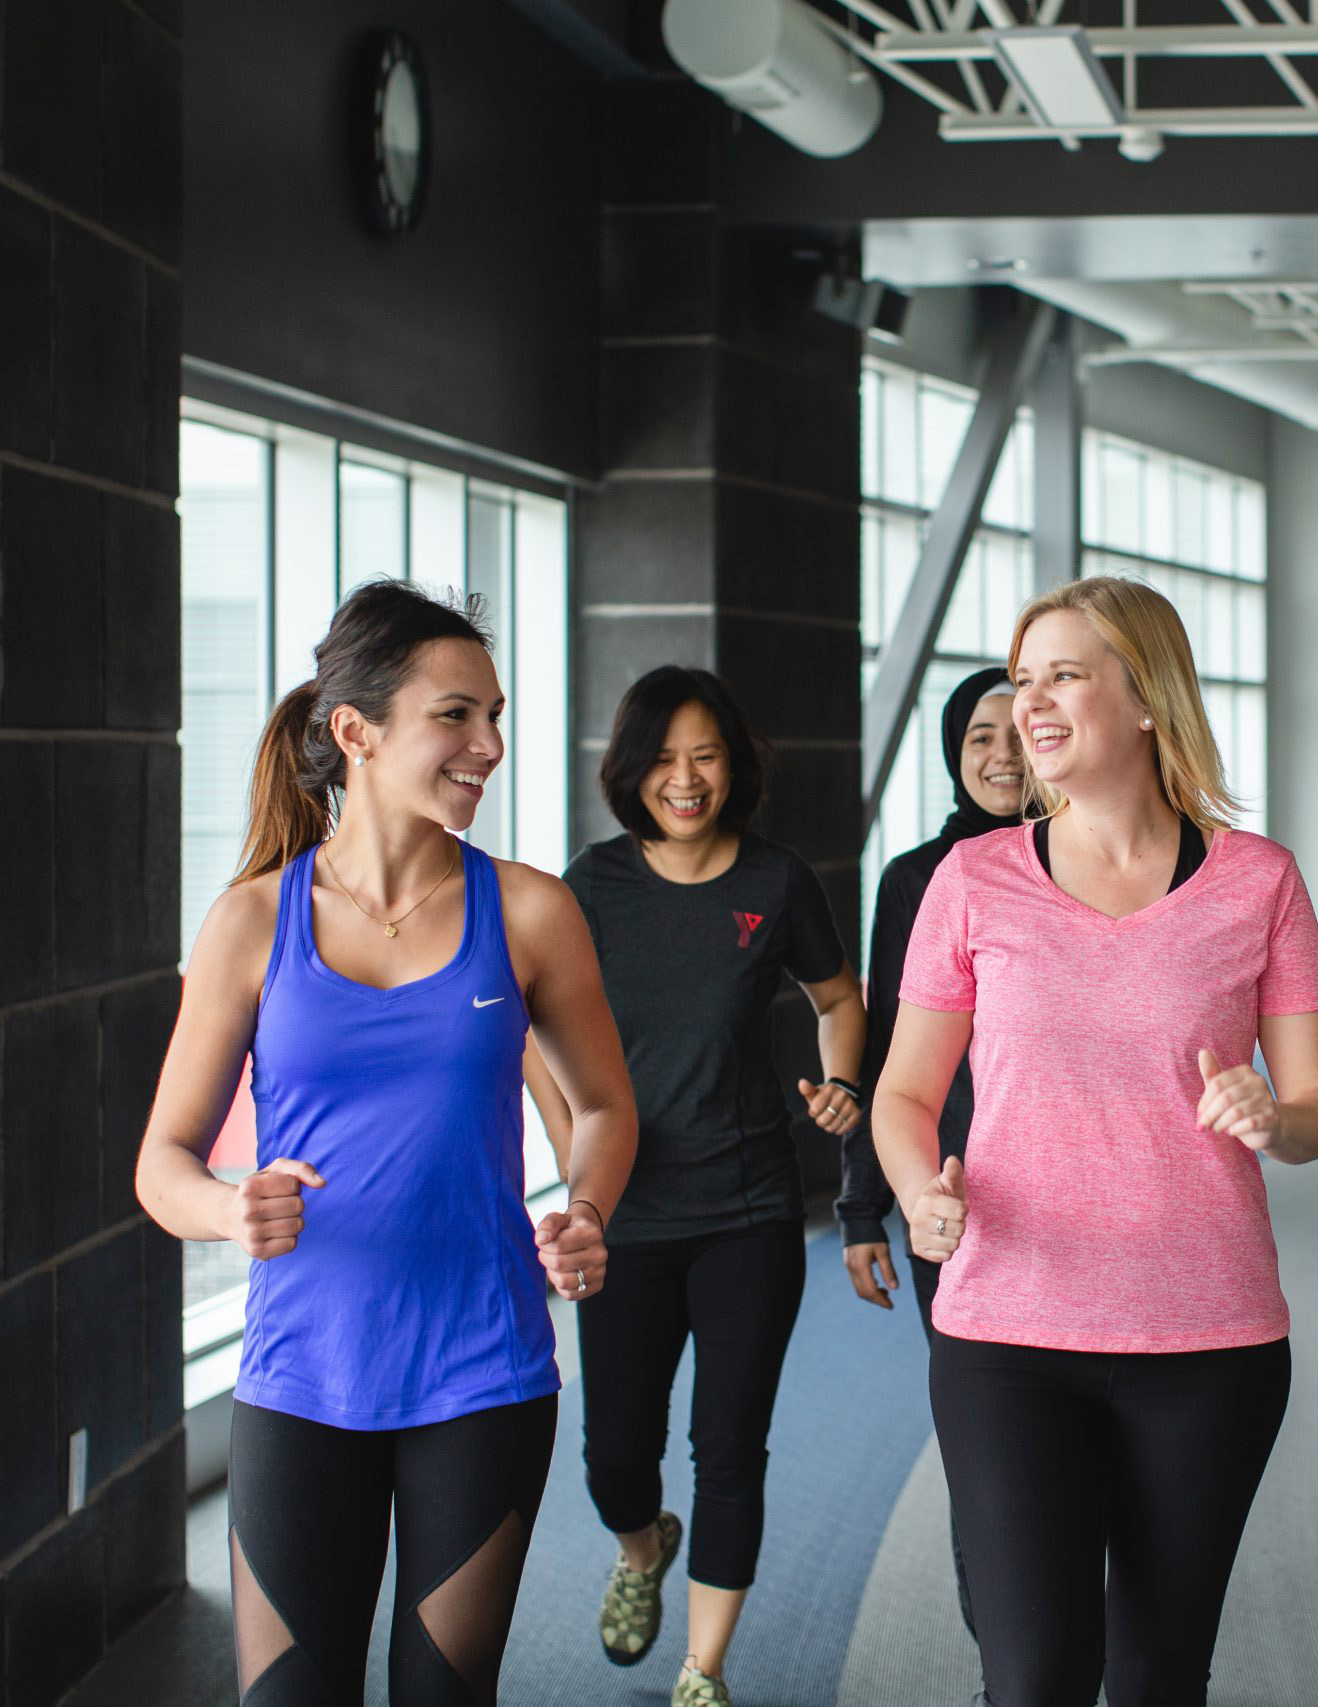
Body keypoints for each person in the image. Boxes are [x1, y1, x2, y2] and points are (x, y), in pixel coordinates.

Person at [135, 580, 637, 1705]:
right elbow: (161, 1159)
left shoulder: (529, 912)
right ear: (356, 733)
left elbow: (603, 1106)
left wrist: (589, 1210)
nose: (490, 745)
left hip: (484, 1375)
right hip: (300, 1379)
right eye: (455, 716)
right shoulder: (254, 922)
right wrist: (229, 1207)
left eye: (494, 714)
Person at [874, 576, 1318, 1707]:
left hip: (1209, 1342)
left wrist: (1273, 1116)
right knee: (1035, 1674)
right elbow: (903, 1093)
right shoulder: (971, 881)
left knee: (1157, 1676)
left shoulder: (1259, 883)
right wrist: (916, 1193)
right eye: (1022, 678)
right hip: (1007, 1333)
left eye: (1065, 676)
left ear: (1145, 698)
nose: (1031, 704)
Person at [525, 664, 866, 1707]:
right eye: (664, 759)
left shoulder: (773, 882)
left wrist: (843, 1078)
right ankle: (641, 1549)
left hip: (750, 1207)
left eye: (706, 756)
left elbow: (837, 996)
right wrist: (577, 1163)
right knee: (614, 1452)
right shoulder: (588, 885)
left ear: (736, 765)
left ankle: (701, 1672)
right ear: (632, 771)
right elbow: (531, 1033)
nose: (686, 778)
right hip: (624, 1215)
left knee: (729, 1443)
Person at [838, 664, 1024, 1325]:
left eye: (1020, 732)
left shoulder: (1085, 867)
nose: (1003, 755)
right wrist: (862, 1208)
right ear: (954, 749)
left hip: (1064, 1179)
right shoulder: (916, 879)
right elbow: (886, 1043)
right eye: (980, 737)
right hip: (945, 1180)